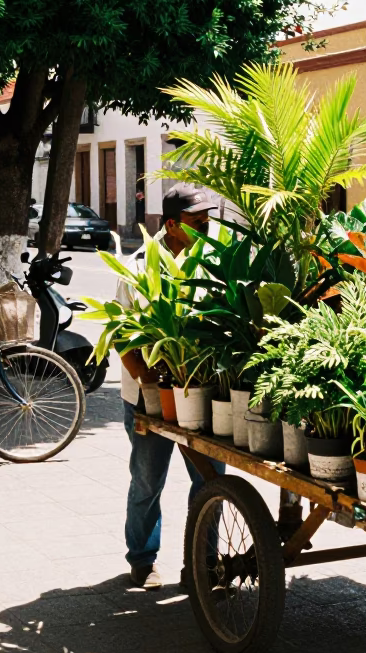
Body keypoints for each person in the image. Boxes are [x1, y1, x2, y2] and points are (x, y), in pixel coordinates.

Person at [119, 185, 225, 589]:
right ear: (172, 225)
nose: (207, 228)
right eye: (198, 222)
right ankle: (143, 560)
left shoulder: (213, 264)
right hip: (148, 397)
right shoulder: (138, 267)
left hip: (202, 394)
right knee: (148, 480)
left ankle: (204, 562)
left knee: (212, 482)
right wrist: (150, 384)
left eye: (208, 219)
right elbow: (122, 337)